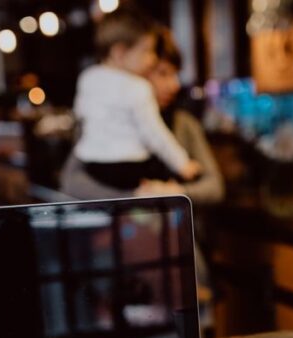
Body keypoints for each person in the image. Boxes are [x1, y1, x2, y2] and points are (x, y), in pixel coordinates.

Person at [61, 28, 224, 204]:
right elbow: (70, 181)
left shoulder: (184, 123)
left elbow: (215, 187)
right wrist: (134, 199)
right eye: (163, 73)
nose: (175, 84)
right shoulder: (103, 123)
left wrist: (177, 191)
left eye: (176, 74)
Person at [71, 8, 201, 191]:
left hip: (92, 163)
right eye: (147, 51)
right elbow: (156, 134)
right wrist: (182, 164)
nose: (152, 59)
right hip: (127, 167)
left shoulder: (87, 77)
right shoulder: (138, 87)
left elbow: (81, 112)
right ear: (119, 53)